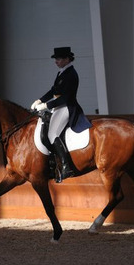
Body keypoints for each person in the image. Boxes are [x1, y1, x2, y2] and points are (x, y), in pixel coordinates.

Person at [31, 47, 92, 181]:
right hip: (58, 106)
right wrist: (40, 100)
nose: (56, 61)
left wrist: (46, 105)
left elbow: (66, 97)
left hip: (67, 107)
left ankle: (66, 167)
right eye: (56, 59)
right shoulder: (62, 73)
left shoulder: (72, 74)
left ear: (67, 59)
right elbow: (53, 90)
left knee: (52, 133)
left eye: (58, 59)